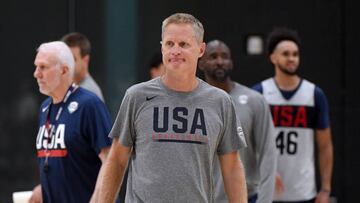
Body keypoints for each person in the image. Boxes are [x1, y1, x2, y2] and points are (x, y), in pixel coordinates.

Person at [95, 13, 248, 203]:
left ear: (201, 50)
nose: (175, 50)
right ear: (162, 48)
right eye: (169, 44)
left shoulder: (220, 101)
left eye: (183, 44)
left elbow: (232, 167)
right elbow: (117, 160)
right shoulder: (136, 96)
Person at [252, 27, 333, 203]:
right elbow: (247, 145)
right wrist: (265, 169)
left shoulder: (314, 94)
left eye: (295, 54)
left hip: (303, 192)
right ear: (273, 58)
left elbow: (325, 145)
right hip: (265, 192)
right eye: (286, 54)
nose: (292, 58)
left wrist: (325, 189)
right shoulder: (259, 93)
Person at [29, 41, 113, 203]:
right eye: (36, 66)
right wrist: (43, 187)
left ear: (64, 70)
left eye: (43, 67)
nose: (36, 73)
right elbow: (55, 160)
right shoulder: (45, 107)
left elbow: (110, 159)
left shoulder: (89, 104)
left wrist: (98, 199)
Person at [199, 39, 276, 203]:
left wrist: (265, 200)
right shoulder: (192, 102)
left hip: (246, 197)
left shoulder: (254, 100)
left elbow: (268, 154)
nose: (220, 61)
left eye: (225, 57)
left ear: (231, 63)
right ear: (201, 64)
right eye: (213, 57)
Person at [61, 32, 105, 101]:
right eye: (65, 58)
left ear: (85, 60)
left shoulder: (89, 93)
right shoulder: (71, 89)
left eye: (73, 59)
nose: (67, 63)